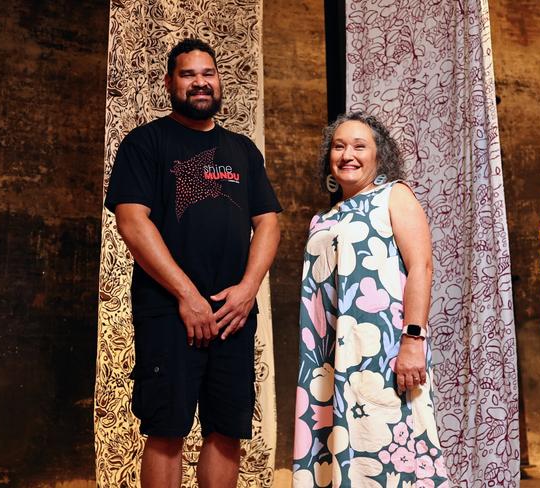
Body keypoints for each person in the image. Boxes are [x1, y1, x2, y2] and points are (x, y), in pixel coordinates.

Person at [104, 38, 281, 488]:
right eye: (188, 75)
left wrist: (246, 292)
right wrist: (186, 295)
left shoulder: (243, 150)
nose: (200, 83)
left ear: (218, 81)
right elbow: (131, 222)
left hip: (233, 314)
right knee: (166, 429)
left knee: (227, 430)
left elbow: (268, 223)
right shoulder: (146, 143)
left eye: (208, 74)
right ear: (169, 82)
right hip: (168, 312)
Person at [292, 112, 449, 487]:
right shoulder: (323, 219)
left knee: (392, 457)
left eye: (360, 146)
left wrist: (412, 340)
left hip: (382, 356)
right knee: (338, 455)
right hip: (327, 362)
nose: (348, 154)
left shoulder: (393, 195)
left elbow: (421, 267)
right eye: (339, 146)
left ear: (379, 156)